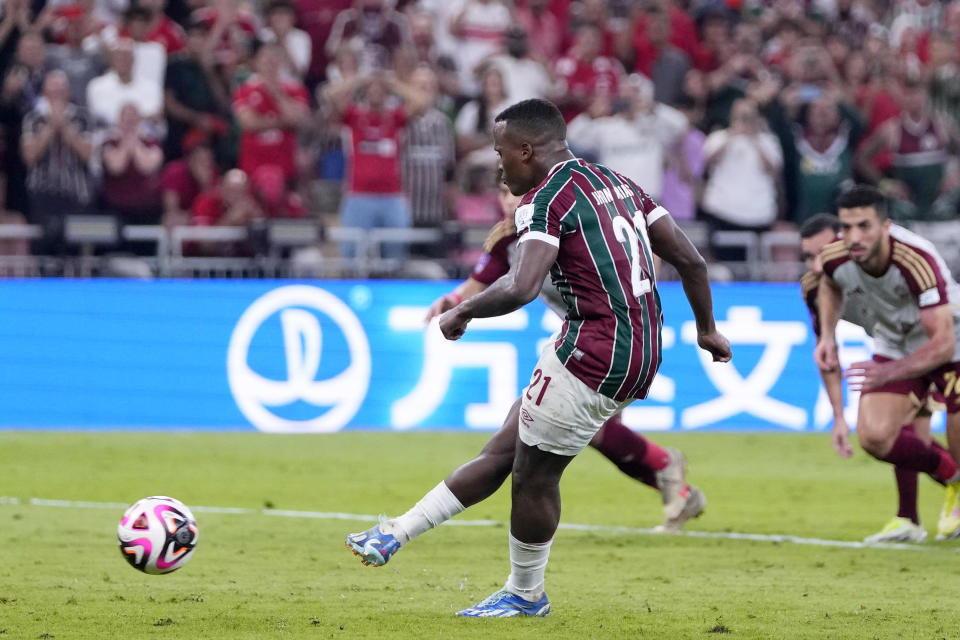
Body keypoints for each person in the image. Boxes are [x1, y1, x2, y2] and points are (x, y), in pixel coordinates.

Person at [346, 98, 732, 617]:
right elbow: (690, 258)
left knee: (531, 474)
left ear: (526, 150)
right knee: (508, 448)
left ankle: (525, 593)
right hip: (641, 346)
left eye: (500, 152)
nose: (498, 166)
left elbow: (521, 286)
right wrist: (707, 330)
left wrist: (463, 315)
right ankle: (396, 532)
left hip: (594, 347)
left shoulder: (544, 202)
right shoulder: (617, 183)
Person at [815, 185, 960, 541]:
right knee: (875, 437)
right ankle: (952, 478)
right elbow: (829, 284)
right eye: (847, 228)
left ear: (886, 226)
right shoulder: (835, 256)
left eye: (864, 226)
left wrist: (887, 372)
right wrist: (827, 335)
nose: (854, 237)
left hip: (952, 340)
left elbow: (942, 343)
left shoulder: (914, 260)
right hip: (896, 341)